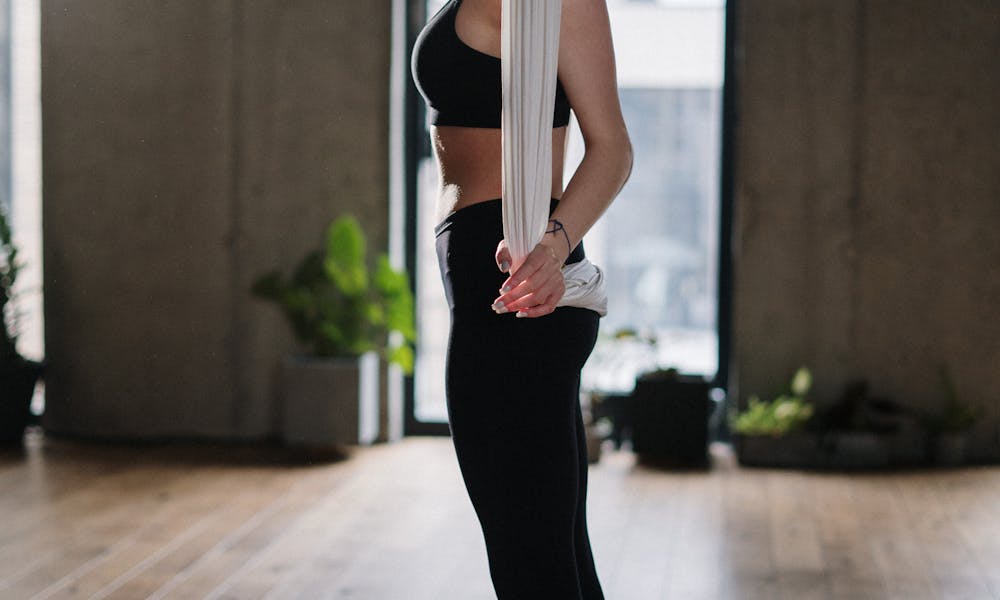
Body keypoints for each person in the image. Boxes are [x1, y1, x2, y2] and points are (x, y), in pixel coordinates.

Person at [411, 0, 631, 597]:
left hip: (519, 289)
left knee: (530, 562)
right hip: (495, 287)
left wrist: (555, 248)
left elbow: (612, 149)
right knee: (553, 553)